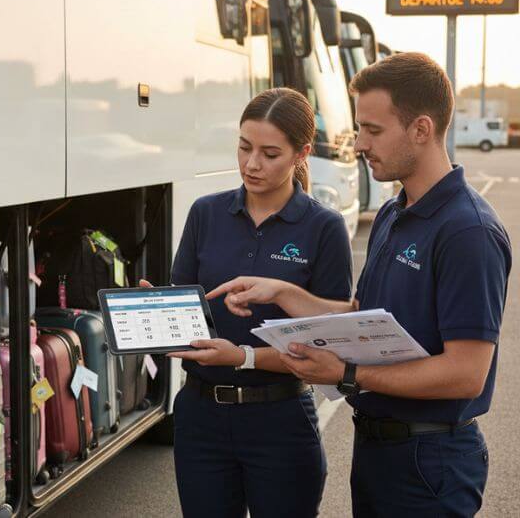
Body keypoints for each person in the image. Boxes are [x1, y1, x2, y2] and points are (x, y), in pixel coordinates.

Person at [209, 53, 511, 517]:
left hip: (431, 461)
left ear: (421, 130)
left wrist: (346, 374)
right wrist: (285, 293)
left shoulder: (467, 232)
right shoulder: (394, 213)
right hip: (378, 452)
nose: (359, 145)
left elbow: (465, 374)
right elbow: (361, 315)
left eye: (372, 130)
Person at [153, 87, 353, 518]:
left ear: (301, 154)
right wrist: (158, 314)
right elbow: (187, 312)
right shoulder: (205, 213)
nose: (251, 164)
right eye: (244, 148)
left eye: (269, 153)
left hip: (280, 421)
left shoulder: (324, 227)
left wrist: (242, 357)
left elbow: (331, 341)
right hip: (200, 418)